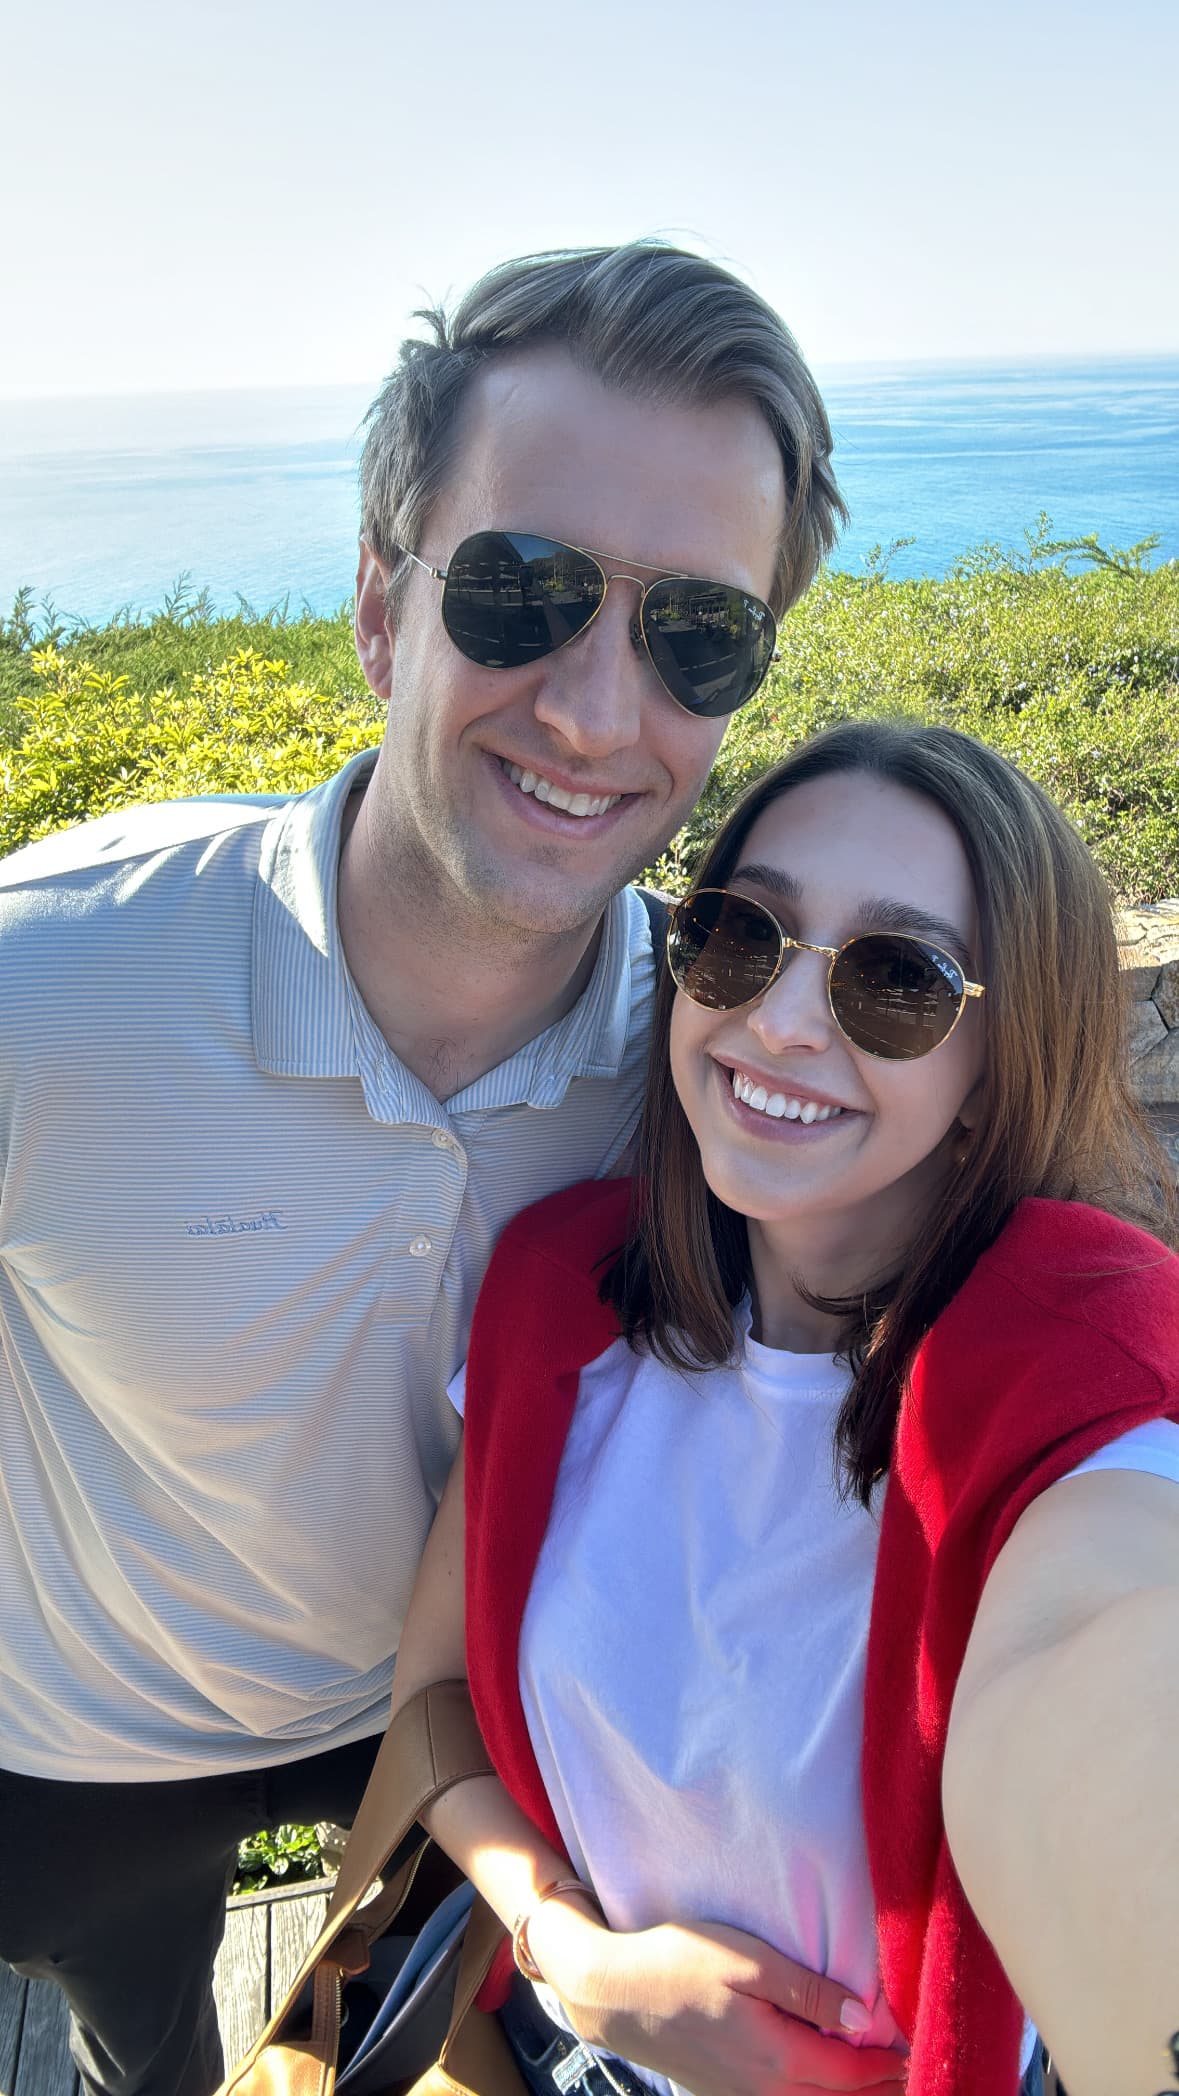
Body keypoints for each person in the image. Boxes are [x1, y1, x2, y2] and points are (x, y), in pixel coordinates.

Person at [0, 243, 846, 2096]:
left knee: (337, 2049)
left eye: (697, 632)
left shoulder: (716, 1074)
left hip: (437, 1733)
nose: (600, 709)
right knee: (138, 2034)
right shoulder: (48, 983)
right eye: (525, 590)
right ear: (385, 607)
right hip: (85, 1742)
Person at [387, 720, 1179, 2096]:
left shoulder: (1083, 1391)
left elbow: (1118, 1655)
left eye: (897, 979)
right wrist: (569, 1952)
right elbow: (434, 1698)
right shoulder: (557, 1299)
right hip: (562, 2050)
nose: (782, 1019)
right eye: (742, 936)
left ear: (998, 1063)